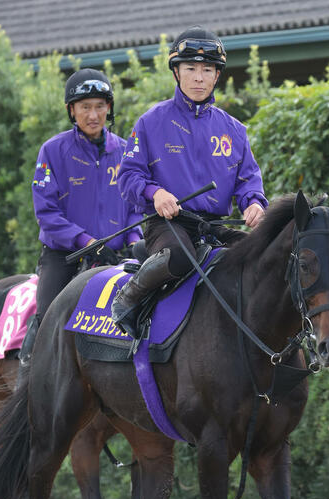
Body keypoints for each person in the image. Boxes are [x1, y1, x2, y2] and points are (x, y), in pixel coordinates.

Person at [111, 26, 268, 337]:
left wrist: (253, 203)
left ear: (216, 76)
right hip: (169, 225)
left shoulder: (234, 129)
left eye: (207, 69)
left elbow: (248, 179)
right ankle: (128, 297)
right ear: (176, 73)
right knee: (182, 256)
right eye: (191, 68)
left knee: (261, 255)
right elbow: (128, 177)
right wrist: (155, 193)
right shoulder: (150, 122)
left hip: (213, 225)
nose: (199, 77)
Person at [18, 68, 142, 370]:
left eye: (100, 105)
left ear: (109, 108)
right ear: (71, 110)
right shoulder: (52, 151)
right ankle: (27, 371)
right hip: (65, 256)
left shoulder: (127, 151)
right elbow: (47, 214)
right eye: (85, 106)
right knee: (47, 314)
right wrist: (87, 242)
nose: (93, 114)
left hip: (117, 256)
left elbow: (137, 206)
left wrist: (136, 239)